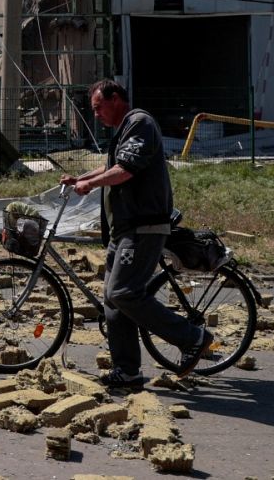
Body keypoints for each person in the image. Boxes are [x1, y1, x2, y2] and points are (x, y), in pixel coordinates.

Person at [60, 79, 212, 388]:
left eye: (98, 107)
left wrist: (91, 185)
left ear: (116, 99)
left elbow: (125, 170)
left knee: (123, 293)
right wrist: (81, 176)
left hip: (144, 227)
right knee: (113, 302)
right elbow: (113, 166)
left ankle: (192, 337)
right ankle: (127, 371)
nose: (96, 115)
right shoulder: (123, 131)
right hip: (124, 230)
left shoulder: (140, 122)